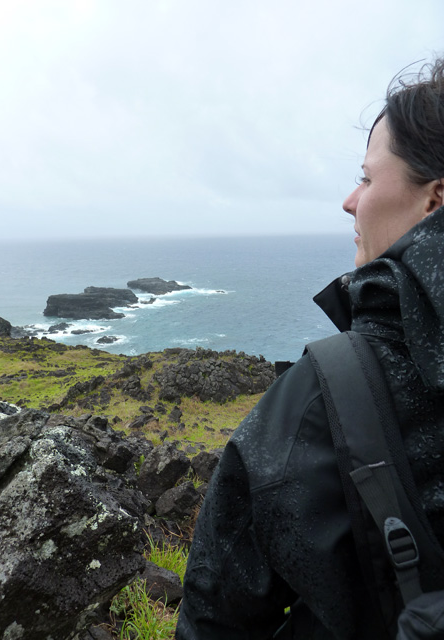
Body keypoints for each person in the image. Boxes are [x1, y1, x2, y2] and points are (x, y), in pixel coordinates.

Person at [175, 58, 444, 640]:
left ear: (435, 197)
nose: (351, 200)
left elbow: (215, 617)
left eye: (368, 179)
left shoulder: (329, 396)